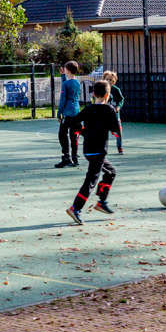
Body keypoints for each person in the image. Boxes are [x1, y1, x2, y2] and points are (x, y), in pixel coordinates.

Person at [65, 81, 119, 223]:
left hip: (88, 150)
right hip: (99, 151)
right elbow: (116, 129)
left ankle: (101, 201)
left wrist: (83, 132)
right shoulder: (109, 110)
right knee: (91, 180)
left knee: (111, 172)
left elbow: (74, 122)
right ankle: (75, 208)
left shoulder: (88, 109)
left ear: (93, 94)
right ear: (107, 95)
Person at [53, 60, 83, 168]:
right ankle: (74, 158)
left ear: (68, 71)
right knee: (73, 135)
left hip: (67, 112)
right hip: (76, 111)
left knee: (62, 134)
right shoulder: (77, 82)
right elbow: (69, 86)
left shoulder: (65, 84)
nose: (63, 70)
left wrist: (59, 113)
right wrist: (62, 77)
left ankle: (66, 157)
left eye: (65, 69)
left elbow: (63, 99)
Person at [102, 70, 126, 153]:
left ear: (114, 81)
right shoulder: (102, 89)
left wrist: (118, 107)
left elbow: (121, 99)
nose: (108, 81)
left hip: (115, 115)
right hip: (104, 115)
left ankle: (120, 147)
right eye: (107, 79)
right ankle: (103, 148)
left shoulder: (116, 90)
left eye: (111, 80)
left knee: (118, 131)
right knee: (103, 132)